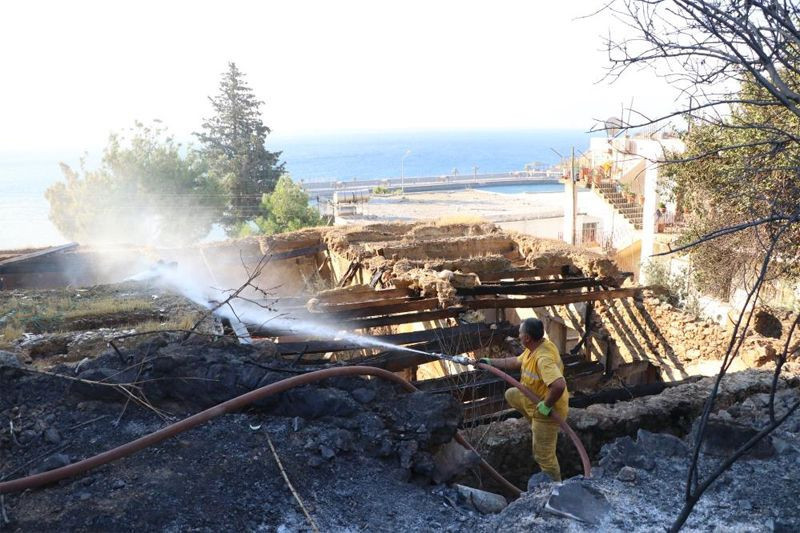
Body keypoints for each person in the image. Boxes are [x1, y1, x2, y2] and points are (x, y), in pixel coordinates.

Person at [477, 318, 568, 481]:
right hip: (532, 400)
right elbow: (516, 361)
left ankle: (556, 488)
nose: (518, 335)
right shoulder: (535, 346)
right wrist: (490, 362)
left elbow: (559, 385)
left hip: (547, 411)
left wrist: (547, 406)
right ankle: (534, 424)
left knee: (543, 456)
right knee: (511, 394)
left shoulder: (543, 358)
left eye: (520, 332)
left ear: (527, 338)